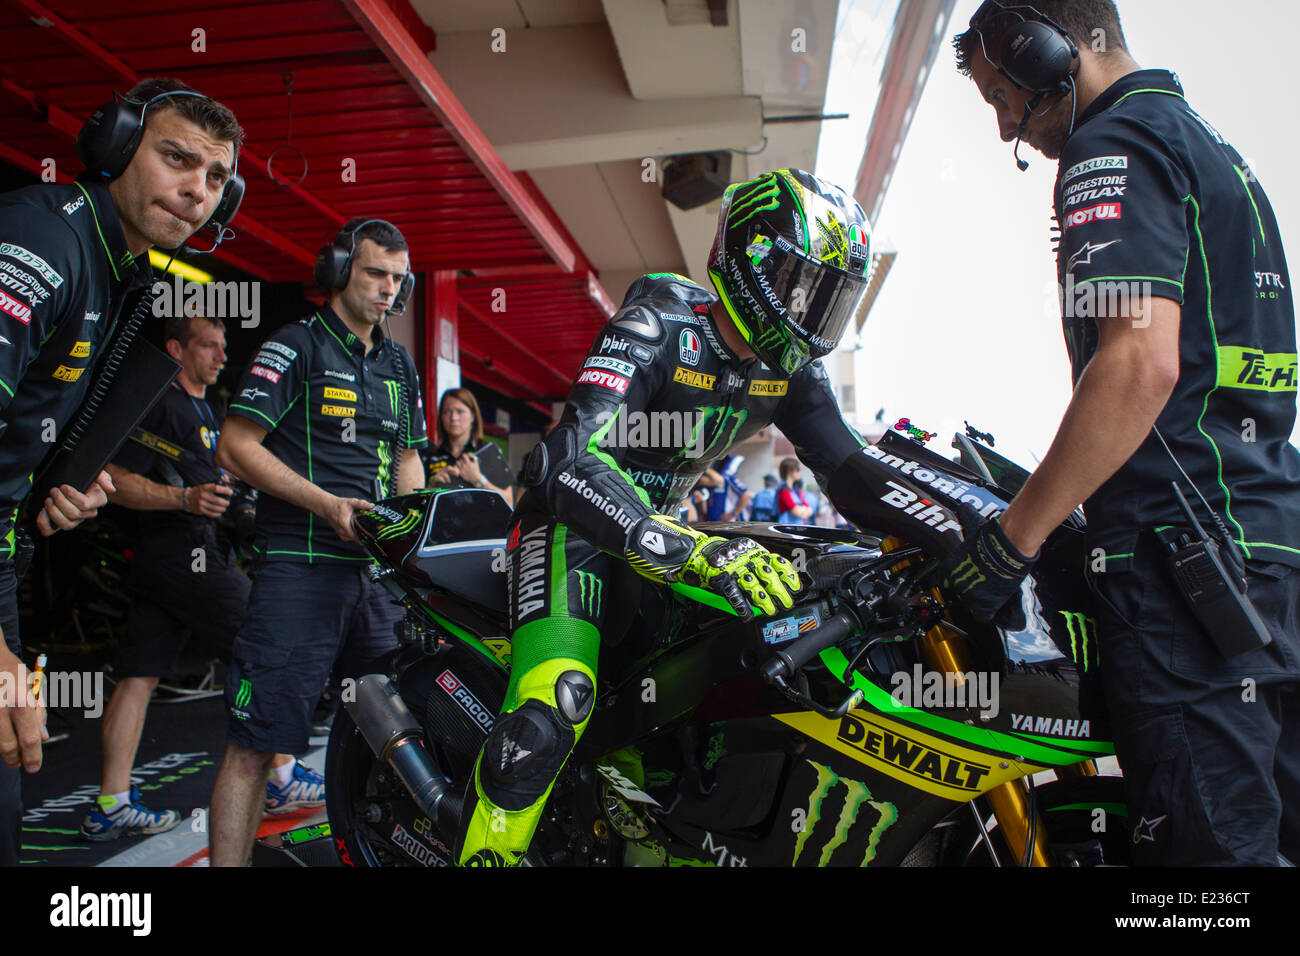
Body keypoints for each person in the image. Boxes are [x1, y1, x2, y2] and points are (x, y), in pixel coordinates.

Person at [949, 1, 1300, 865]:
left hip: (1181, 569)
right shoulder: (1213, 147)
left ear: (1048, 50)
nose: (1006, 131)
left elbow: (1137, 365)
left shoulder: (1112, 148)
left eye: (1006, 96)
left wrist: (1008, 543)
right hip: (1267, 549)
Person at [453, 168, 875, 865]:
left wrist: (971, 520)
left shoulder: (791, 372)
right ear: (754, 263)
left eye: (830, 297)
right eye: (806, 287)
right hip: (570, 529)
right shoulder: (657, 323)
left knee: (709, 702)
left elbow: (852, 472)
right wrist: (690, 551)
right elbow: (561, 463)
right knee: (559, 698)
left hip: (666, 541)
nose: (814, 311)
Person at [0, 78, 243, 866]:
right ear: (115, 147)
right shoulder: (44, 240)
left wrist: (51, 489)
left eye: (215, 178)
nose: (196, 191)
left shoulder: (122, 272)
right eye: (177, 158)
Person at [209, 218, 427, 866]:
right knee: (255, 744)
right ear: (338, 271)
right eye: (374, 273)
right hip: (298, 571)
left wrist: (403, 519)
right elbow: (234, 446)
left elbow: (408, 455)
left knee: (401, 735)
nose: (387, 289)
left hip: (373, 580)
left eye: (398, 278)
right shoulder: (295, 346)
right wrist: (327, 504)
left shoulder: (398, 362)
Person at [81, 314, 280, 839]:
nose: (219, 356)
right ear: (175, 348)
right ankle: (280, 773)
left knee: (139, 675)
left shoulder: (206, 408)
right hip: (179, 551)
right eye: (208, 346)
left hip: (177, 559)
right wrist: (185, 498)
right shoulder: (159, 401)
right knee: (264, 643)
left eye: (223, 347)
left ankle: (112, 802)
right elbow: (115, 479)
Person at [423, 387, 514, 505]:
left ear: (472, 416)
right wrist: (431, 485)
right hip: (443, 522)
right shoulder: (430, 455)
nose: (454, 418)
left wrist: (477, 479)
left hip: (480, 521)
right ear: (441, 417)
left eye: (460, 411)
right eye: (447, 412)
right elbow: (418, 503)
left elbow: (509, 502)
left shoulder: (488, 452)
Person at [776, 458, 813, 525]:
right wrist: (804, 510)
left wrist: (801, 510)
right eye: (798, 469)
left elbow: (810, 510)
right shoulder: (783, 490)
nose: (800, 472)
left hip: (798, 529)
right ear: (790, 471)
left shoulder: (797, 490)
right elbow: (796, 512)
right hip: (787, 531)